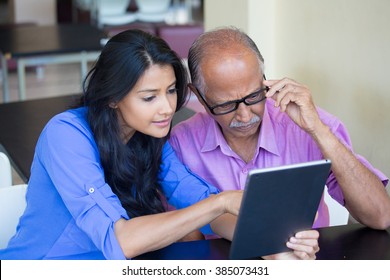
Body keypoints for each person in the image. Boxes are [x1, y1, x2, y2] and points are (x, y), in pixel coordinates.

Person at [0, 30, 319, 260]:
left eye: (170, 91)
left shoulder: (150, 138)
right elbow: (119, 240)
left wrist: (278, 243)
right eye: (149, 97)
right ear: (112, 97)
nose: (167, 107)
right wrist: (220, 202)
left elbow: (204, 207)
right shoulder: (66, 134)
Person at [170, 26, 390, 230]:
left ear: (263, 79)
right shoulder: (182, 143)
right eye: (226, 105)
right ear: (198, 95)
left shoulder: (307, 123)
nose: (245, 116)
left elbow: (380, 216)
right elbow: (181, 232)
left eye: (254, 95)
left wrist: (319, 131)